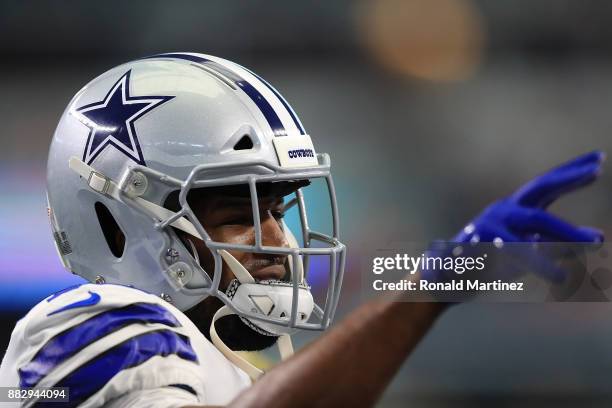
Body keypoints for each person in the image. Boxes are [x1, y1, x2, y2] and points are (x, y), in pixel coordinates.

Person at [0, 53, 604, 408]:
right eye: (237, 214)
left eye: (280, 211)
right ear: (117, 222)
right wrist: (424, 290)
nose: (278, 241)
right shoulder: (91, 328)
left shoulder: (227, 368)